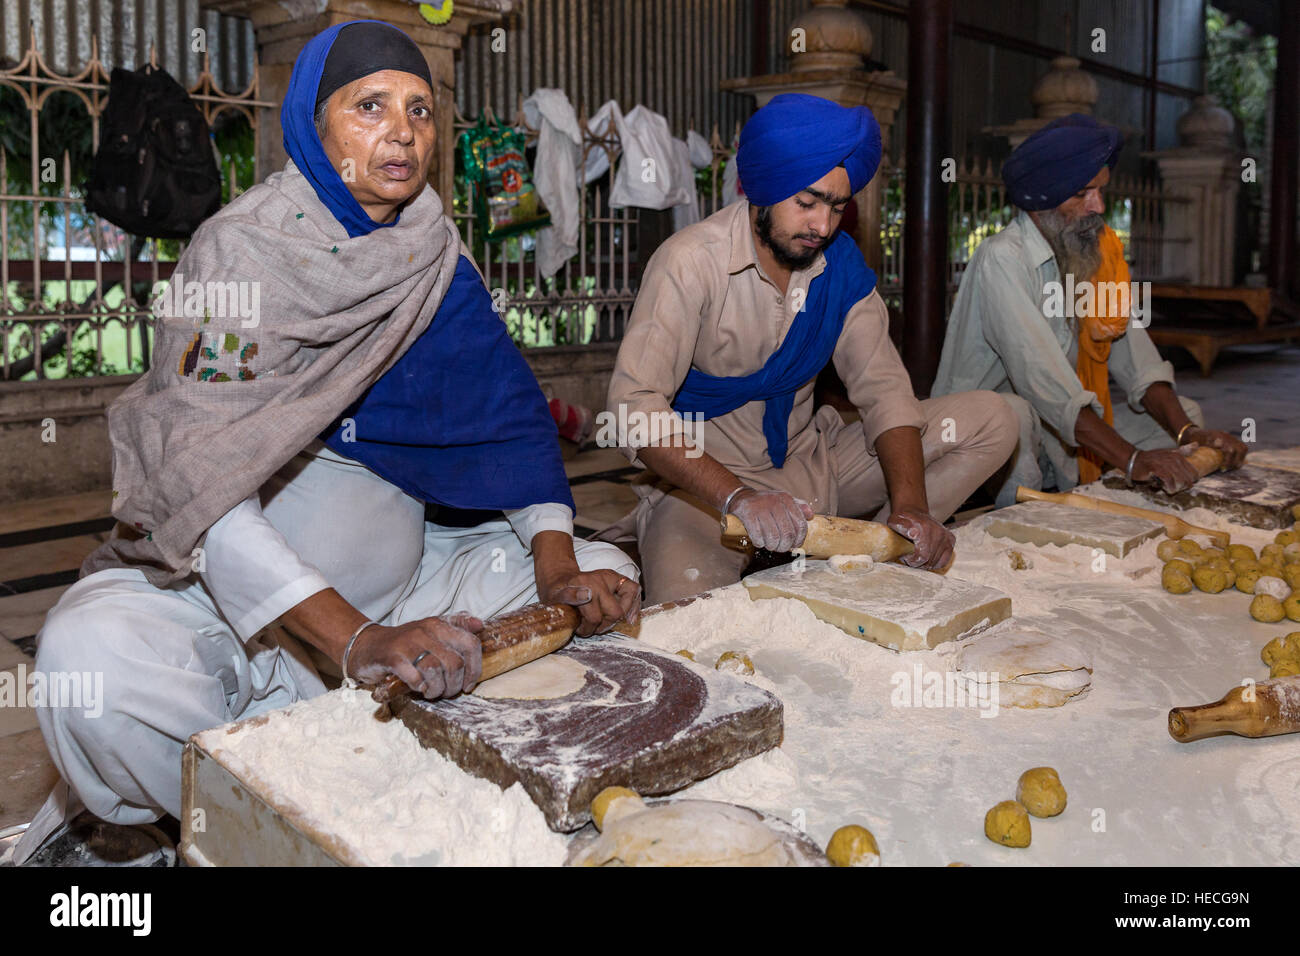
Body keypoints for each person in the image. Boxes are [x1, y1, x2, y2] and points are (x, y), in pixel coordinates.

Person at [18, 20, 638, 857]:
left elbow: (506, 425)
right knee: (89, 657)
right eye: (370, 105)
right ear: (313, 124)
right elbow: (201, 480)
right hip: (237, 615)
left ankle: (360, 757)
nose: (403, 131)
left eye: (421, 110)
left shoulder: (434, 253)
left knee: (606, 574)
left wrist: (557, 569)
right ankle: (218, 819)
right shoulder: (241, 254)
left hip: (407, 589)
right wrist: (354, 641)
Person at [602, 93, 1018, 604]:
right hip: (706, 490)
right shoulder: (690, 262)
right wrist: (740, 497)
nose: (822, 226)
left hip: (813, 469)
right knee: (689, 616)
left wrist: (912, 505)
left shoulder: (839, 268)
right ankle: (796, 552)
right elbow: (634, 409)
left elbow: (884, 391)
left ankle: (877, 550)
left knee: (994, 418)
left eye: (837, 207)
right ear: (762, 190)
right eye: (807, 202)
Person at [932, 113, 1246, 507]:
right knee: (1012, 413)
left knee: (1186, 415)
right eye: (1082, 193)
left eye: (1100, 191)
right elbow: (1042, 381)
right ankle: (1015, 526)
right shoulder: (1003, 258)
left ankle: (1098, 491)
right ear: (1041, 199)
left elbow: (1138, 361)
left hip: (1058, 428)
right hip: (992, 433)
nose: (1098, 206)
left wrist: (1186, 433)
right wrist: (1132, 460)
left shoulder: (1092, 254)